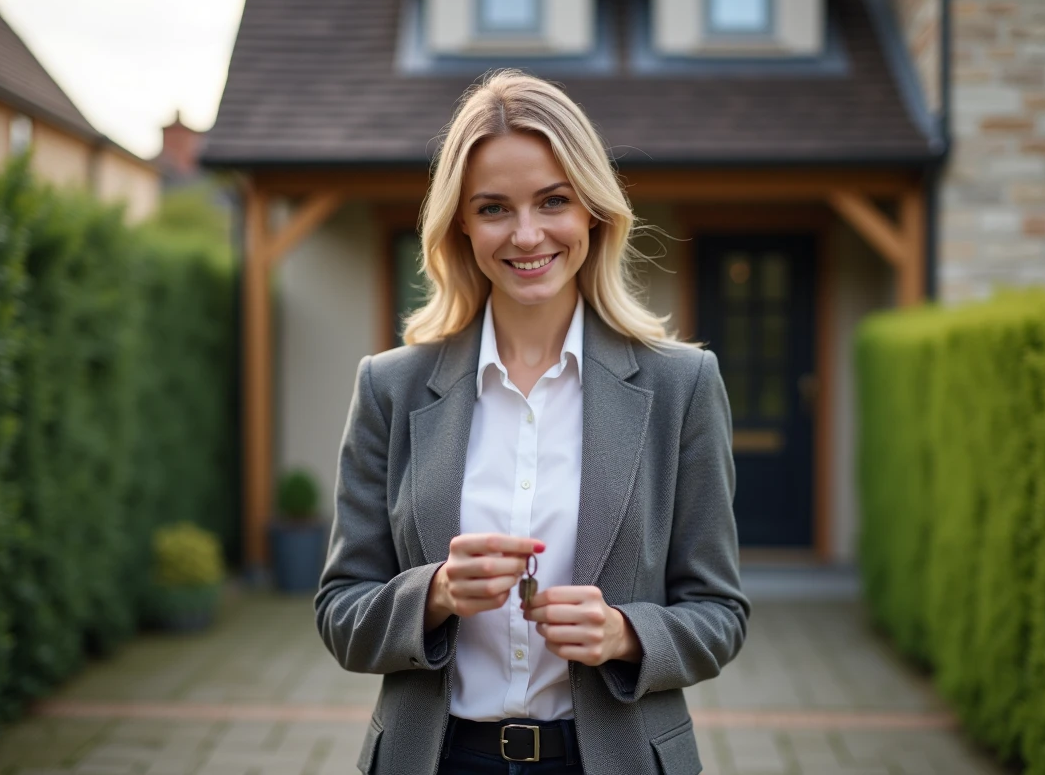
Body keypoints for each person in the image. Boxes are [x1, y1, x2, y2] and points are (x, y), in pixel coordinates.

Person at [314, 70, 750, 775]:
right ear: (461, 222)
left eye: (553, 201)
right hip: (437, 759)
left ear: (593, 211)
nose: (526, 234)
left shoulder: (682, 386)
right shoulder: (389, 388)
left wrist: (624, 634)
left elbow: (719, 613)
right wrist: (435, 595)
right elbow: (341, 611)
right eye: (493, 208)